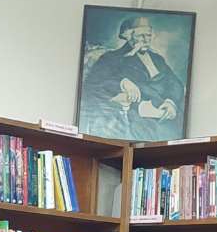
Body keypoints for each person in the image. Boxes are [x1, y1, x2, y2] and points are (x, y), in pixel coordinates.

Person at [80, 13, 187, 141]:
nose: (146, 40)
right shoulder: (112, 58)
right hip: (136, 116)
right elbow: (94, 83)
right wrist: (122, 83)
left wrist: (171, 101)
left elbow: (175, 82)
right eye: (141, 35)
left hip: (166, 113)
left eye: (148, 35)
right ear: (129, 37)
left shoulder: (157, 59)